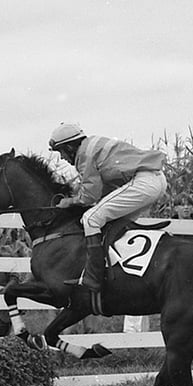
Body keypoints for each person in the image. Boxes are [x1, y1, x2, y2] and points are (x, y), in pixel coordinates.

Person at [48, 122, 168, 294]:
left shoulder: (84, 155)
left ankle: (93, 276)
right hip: (155, 180)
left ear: (69, 147)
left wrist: (69, 202)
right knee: (114, 223)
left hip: (144, 182)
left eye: (61, 151)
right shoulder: (92, 146)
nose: (62, 158)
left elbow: (90, 195)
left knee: (90, 219)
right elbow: (105, 191)